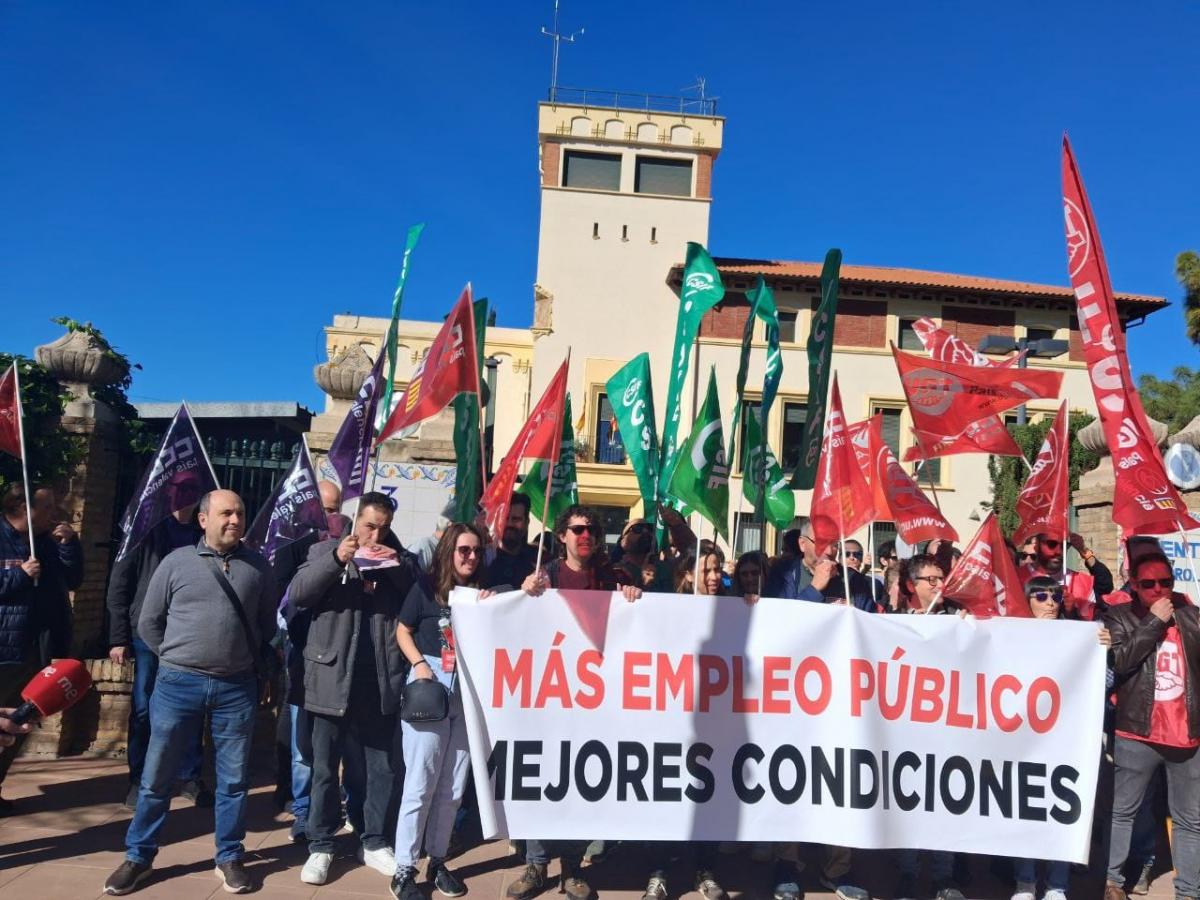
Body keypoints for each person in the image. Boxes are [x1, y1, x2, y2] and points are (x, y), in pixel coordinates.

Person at [103, 490, 275, 896]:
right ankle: (139, 856)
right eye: (226, 513)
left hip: (236, 687)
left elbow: (266, 624)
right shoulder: (175, 563)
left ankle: (229, 856)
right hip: (178, 685)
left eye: (240, 513)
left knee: (233, 780)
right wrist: (177, 657)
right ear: (203, 520)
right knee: (157, 776)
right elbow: (149, 622)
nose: (235, 520)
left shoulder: (259, 567)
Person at [288, 491, 418, 887]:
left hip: (379, 679)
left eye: (383, 528)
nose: (375, 535)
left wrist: (392, 564)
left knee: (381, 767)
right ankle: (321, 843)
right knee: (324, 767)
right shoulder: (324, 550)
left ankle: (373, 839)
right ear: (355, 521)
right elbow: (299, 593)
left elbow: (417, 593)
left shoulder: (398, 559)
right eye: (369, 526)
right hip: (330, 677)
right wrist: (336, 560)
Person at [512, 506, 640, 900]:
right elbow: (517, 622)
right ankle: (536, 865)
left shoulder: (614, 578)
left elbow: (636, 627)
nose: (586, 535)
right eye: (578, 529)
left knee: (582, 782)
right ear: (562, 535)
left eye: (593, 530)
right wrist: (522, 595)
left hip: (595, 700)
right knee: (540, 781)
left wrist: (634, 597)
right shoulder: (544, 576)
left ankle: (572, 868)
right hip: (549, 695)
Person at [391, 523, 494, 900]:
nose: (471, 557)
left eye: (477, 551)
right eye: (464, 550)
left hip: (468, 690)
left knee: (452, 785)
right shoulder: (425, 588)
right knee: (420, 782)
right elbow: (402, 630)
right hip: (431, 685)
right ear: (449, 551)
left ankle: (436, 860)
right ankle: (404, 868)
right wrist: (419, 664)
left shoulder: (482, 593)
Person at [1103, 551, 1200, 900]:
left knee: (1189, 820)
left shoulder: (1192, 615)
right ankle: (1112, 883)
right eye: (1149, 584)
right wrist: (1154, 623)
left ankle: (1188, 891)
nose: (1159, 590)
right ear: (1133, 584)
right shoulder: (1119, 616)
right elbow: (1120, 662)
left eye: (1165, 582)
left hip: (1186, 736)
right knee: (1123, 812)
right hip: (1137, 732)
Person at [1012, 575, 1112, 900]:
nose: (1050, 603)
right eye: (1041, 596)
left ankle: (1057, 884)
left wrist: (1103, 652)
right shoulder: (1012, 635)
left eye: (1055, 596)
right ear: (1027, 601)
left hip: (1066, 742)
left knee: (1063, 812)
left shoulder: (1080, 635)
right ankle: (1025, 882)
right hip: (1025, 740)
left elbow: (1104, 683)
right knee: (1025, 811)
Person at [106, 504, 208, 809]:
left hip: (191, 632)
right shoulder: (145, 533)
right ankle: (139, 779)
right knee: (143, 708)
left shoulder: (202, 534)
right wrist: (118, 637)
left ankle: (190, 777)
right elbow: (119, 585)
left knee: (193, 708)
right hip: (147, 632)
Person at [0, 483, 81, 813]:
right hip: (4, 649)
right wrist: (19, 575)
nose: (54, 513)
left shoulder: (45, 541)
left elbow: (72, 580)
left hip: (35, 648)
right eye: (47, 507)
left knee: (19, 725)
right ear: (24, 508)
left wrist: (69, 546)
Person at [272, 479, 344, 840]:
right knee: (301, 740)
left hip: (337, 656)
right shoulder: (291, 545)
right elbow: (285, 597)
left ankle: (327, 806)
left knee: (332, 745)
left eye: (334, 509)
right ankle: (301, 808)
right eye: (323, 509)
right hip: (302, 651)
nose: (329, 517)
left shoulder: (349, 544)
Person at [764, 519, 875, 611]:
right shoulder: (782, 575)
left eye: (835, 544)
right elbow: (779, 620)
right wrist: (814, 589)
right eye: (822, 543)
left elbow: (867, 622)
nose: (829, 551)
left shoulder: (854, 580)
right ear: (802, 544)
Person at [1022, 532, 1114, 616]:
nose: (1058, 552)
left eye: (1064, 546)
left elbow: (1105, 585)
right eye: (1051, 544)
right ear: (1037, 546)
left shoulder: (1081, 582)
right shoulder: (1018, 578)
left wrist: (1073, 613)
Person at [483, 493, 538, 590]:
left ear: (527, 522)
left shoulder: (538, 561)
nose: (509, 524)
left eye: (516, 519)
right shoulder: (483, 558)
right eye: (505, 518)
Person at [616, 518, 673, 591]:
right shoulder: (616, 571)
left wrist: (677, 525)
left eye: (650, 529)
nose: (645, 531)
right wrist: (644, 582)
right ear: (623, 541)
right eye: (638, 528)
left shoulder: (668, 569)